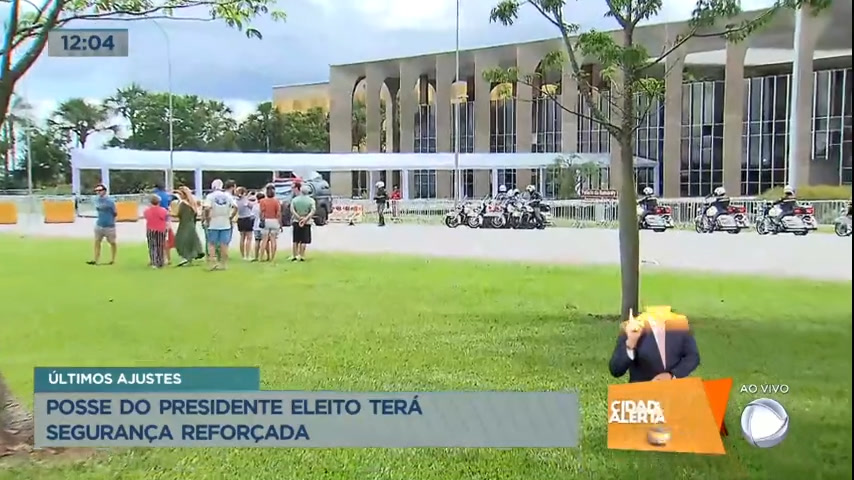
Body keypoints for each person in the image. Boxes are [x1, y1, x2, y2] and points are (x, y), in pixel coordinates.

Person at [609, 310, 700, 383]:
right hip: (643, 395)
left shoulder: (680, 325)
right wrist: (630, 343)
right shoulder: (633, 326)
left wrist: (672, 375)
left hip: (675, 392)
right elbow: (616, 370)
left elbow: (692, 356)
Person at [203, 179, 237, 270]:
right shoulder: (227, 196)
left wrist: (207, 218)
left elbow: (207, 208)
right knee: (224, 244)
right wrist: (231, 216)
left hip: (213, 222)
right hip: (225, 222)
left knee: (212, 244)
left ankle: (213, 263)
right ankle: (223, 264)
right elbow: (235, 207)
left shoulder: (210, 196)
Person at [173, 186, 204, 266]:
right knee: (190, 241)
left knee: (180, 240)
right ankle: (191, 255)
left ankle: (186, 257)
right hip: (191, 224)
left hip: (184, 224)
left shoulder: (183, 204)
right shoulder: (192, 204)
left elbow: (178, 214)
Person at [87, 183, 117, 266]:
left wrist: (111, 220)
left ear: (104, 191)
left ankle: (113, 259)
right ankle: (96, 259)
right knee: (97, 242)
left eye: (100, 190)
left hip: (109, 225)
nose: (98, 192)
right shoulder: (96, 200)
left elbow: (115, 212)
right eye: (96, 191)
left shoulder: (110, 201)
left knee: (112, 242)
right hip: (99, 224)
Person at [290, 184, 316, 262]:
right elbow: (313, 210)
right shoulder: (311, 200)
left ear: (301, 191)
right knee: (304, 240)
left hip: (296, 221)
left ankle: (294, 255)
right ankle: (301, 255)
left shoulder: (295, 200)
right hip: (307, 222)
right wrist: (305, 218)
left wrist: (298, 217)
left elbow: (292, 210)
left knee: (296, 239)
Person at [143, 195, 169, 268]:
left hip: (150, 229)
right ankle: (160, 261)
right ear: (159, 202)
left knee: (152, 246)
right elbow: (166, 219)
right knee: (160, 246)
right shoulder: (163, 210)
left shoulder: (147, 211)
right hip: (161, 229)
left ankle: (153, 261)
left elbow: (146, 217)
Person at [258, 184, 282, 262]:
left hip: (266, 220)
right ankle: (272, 257)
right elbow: (278, 213)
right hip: (274, 220)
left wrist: (262, 220)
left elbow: (261, 212)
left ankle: (261, 257)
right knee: (273, 239)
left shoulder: (262, 201)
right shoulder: (276, 201)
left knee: (264, 240)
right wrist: (280, 224)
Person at [153, 182, 175, 265]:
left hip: (157, 219)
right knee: (166, 239)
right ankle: (168, 258)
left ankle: (158, 258)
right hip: (166, 219)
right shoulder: (167, 195)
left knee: (156, 240)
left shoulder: (156, 196)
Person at [235, 187, 255, 260]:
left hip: (240, 219)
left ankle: (242, 255)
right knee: (249, 238)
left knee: (242, 238)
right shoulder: (245, 201)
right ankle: (247, 255)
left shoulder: (236, 201)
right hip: (247, 218)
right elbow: (252, 206)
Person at [251, 191, 267, 261]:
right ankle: (265, 256)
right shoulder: (265, 205)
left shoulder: (255, 206)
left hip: (256, 225)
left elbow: (252, 216)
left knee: (257, 241)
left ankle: (256, 256)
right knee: (265, 241)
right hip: (264, 225)